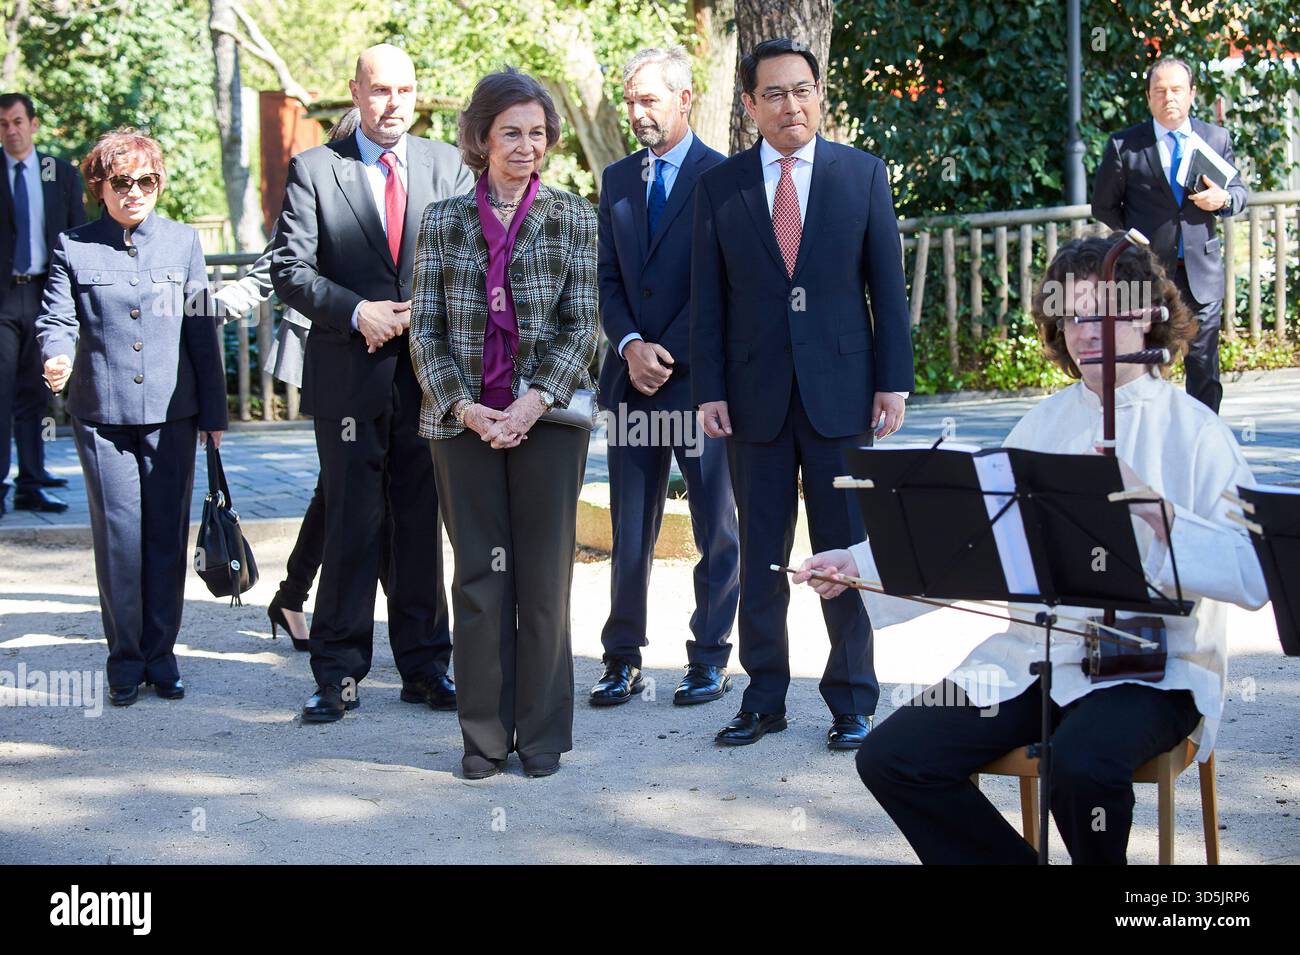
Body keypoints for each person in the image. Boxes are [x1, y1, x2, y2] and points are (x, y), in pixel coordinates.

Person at [797, 236, 1269, 864]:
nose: (1085, 331)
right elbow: (970, 532)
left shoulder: (1197, 432)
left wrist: (1166, 521)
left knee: (1081, 766)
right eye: (1071, 316)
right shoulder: (1043, 424)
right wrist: (858, 563)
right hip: (1034, 658)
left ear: (1147, 314)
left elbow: (1254, 573)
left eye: (1103, 311)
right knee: (894, 757)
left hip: (1155, 670)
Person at [690, 38, 914, 750]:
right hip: (753, 400)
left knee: (843, 551)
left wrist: (893, 380)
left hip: (842, 397)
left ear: (821, 95)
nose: (792, 105)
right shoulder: (720, 188)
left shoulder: (862, 175)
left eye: (803, 90)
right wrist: (709, 389)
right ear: (750, 104)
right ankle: (763, 697)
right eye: (775, 94)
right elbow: (708, 302)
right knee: (762, 556)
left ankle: (852, 697)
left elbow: (887, 287)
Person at [271, 45, 474, 722]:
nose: (394, 102)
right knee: (353, 521)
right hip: (348, 376)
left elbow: (469, 261)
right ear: (356, 92)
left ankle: (425, 666)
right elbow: (290, 270)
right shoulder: (314, 170)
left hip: (427, 375)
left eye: (406, 89)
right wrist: (358, 311)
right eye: (381, 89)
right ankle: (338, 672)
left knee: (420, 521)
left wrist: (421, 312)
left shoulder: (447, 165)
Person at [410, 68, 598, 779]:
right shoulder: (444, 220)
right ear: (481, 139)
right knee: (481, 580)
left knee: (544, 580)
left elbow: (584, 327)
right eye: (511, 133)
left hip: (546, 421)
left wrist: (529, 403)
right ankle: (484, 737)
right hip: (463, 425)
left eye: (538, 134)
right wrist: (467, 407)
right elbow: (422, 332)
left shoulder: (574, 217)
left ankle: (543, 731)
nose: (526, 146)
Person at [36, 128, 227, 706]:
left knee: (165, 537)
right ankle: (124, 659)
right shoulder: (74, 245)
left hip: (173, 415)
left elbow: (201, 331)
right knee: (120, 540)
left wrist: (214, 416)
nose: (136, 191)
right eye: (123, 182)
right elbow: (56, 318)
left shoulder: (183, 243)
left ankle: (162, 656)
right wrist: (55, 355)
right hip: (103, 418)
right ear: (100, 186)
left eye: (148, 180)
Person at [589, 46, 739, 708]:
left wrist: (664, 351)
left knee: (716, 523)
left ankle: (708, 657)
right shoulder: (618, 179)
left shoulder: (725, 177)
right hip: (630, 381)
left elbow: (725, 284)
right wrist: (628, 345)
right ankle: (621, 657)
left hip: (699, 382)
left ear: (683, 98)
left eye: (648, 99)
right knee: (630, 527)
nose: (636, 112)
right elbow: (609, 277)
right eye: (630, 101)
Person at [213, 107, 361, 652]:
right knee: (342, 489)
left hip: (383, 362)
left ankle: (294, 597)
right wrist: (222, 302)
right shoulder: (319, 180)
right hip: (328, 355)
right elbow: (277, 264)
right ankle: (299, 599)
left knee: (343, 490)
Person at [1092, 56, 1247, 414]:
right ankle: (1143, 437)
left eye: (1177, 89)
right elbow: (1103, 207)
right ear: (1148, 97)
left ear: (1192, 93)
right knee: (1143, 364)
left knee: (1203, 365)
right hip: (1146, 273)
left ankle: (1206, 441)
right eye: (1159, 91)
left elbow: (1239, 193)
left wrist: (1222, 199)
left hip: (1201, 271)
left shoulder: (1215, 137)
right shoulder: (1124, 146)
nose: (1169, 98)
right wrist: (1133, 240)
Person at [0, 92, 86, 518]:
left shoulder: (60, 174)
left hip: (44, 295)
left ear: (33, 125)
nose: (11, 131)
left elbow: (77, 237)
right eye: (3, 124)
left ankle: (31, 483)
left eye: (18, 122)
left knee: (36, 394)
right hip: (1, 299)